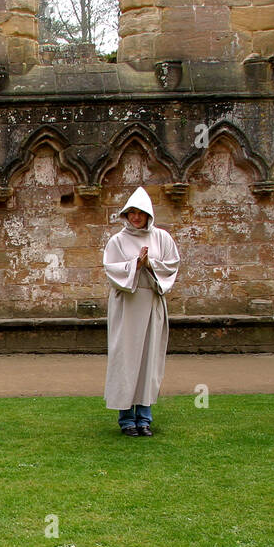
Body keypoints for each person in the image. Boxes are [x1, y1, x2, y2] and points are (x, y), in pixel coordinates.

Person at [102, 187, 180, 436]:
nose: (136, 218)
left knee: (148, 360)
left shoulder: (162, 238)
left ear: (149, 214)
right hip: (127, 304)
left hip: (151, 303)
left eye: (141, 213)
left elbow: (172, 266)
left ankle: (144, 418)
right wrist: (135, 264)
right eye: (132, 213)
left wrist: (150, 264)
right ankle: (126, 419)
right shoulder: (117, 241)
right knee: (125, 360)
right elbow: (111, 270)